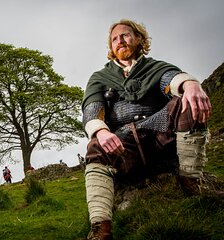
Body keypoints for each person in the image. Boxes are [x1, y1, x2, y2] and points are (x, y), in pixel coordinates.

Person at [82, 19, 212, 240]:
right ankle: (100, 228)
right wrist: (101, 132)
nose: (119, 41)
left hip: (160, 139)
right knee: (95, 146)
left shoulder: (155, 68)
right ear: (111, 48)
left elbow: (171, 81)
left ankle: (191, 181)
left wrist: (190, 85)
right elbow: (92, 109)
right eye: (114, 39)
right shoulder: (100, 78)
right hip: (125, 146)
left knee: (187, 102)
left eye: (125, 35)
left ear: (139, 39)